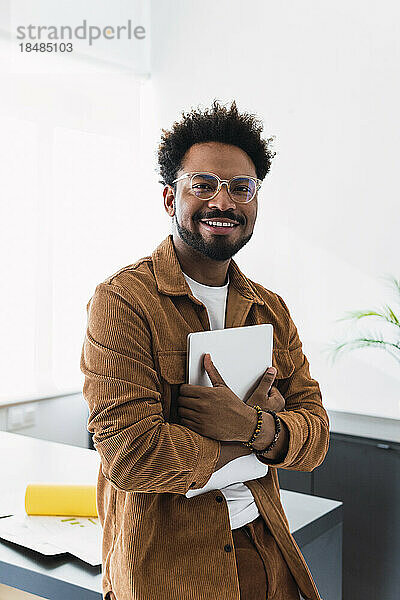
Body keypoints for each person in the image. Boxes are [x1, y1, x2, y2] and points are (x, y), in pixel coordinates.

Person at [81, 100, 330, 600]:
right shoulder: (123, 301)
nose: (224, 201)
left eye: (242, 187)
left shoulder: (269, 308)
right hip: (167, 568)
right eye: (204, 185)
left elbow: (316, 436)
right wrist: (254, 437)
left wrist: (248, 426)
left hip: (266, 549)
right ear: (170, 198)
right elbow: (131, 457)